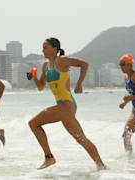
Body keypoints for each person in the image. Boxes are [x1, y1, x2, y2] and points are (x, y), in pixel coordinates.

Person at [28, 37, 106, 170]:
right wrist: (34, 77)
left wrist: (79, 84)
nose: (43, 50)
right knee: (81, 139)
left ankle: (49, 158)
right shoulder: (46, 66)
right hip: (64, 107)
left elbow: (84, 64)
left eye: (45, 47)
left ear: (54, 49)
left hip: (66, 105)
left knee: (33, 123)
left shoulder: (62, 61)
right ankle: (102, 167)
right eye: (42, 47)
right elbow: (41, 87)